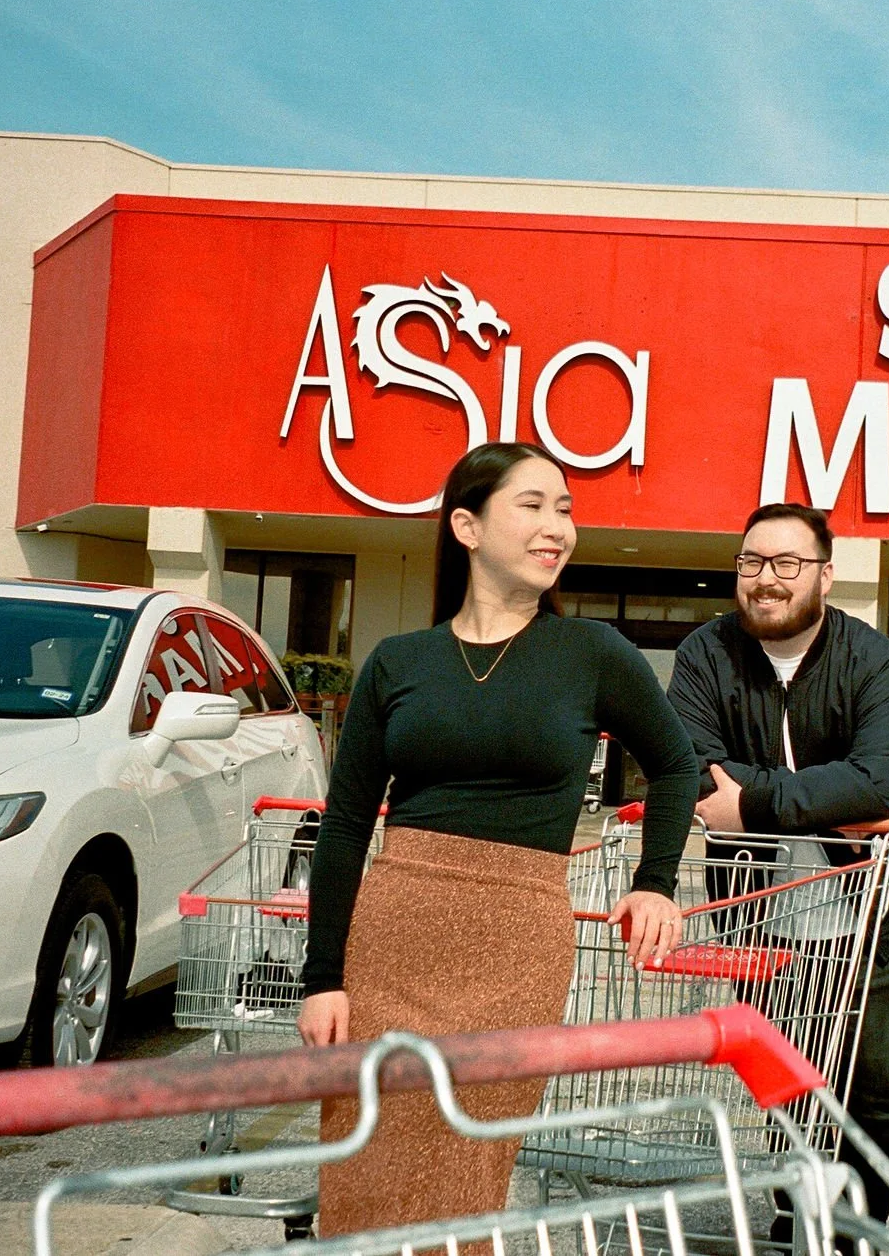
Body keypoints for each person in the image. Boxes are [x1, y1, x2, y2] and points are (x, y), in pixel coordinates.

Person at [298, 441, 698, 1238]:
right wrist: (322, 977)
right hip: (393, 935)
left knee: (466, 1169)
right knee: (363, 1160)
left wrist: (657, 880)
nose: (558, 528)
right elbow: (344, 826)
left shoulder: (592, 653)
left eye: (567, 511)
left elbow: (677, 765)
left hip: (516, 941)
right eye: (534, 506)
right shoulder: (398, 663)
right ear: (467, 527)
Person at [666, 502, 889, 1224]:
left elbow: (876, 781)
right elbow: (691, 764)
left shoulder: (871, 659)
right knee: (791, 1079)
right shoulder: (704, 656)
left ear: (825, 575)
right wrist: (814, 794)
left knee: (878, 1085)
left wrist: (751, 804)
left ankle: (857, 1228)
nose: (766, 579)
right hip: (759, 912)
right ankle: (796, 1212)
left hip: (871, 911)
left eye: (786, 564)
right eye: (751, 563)